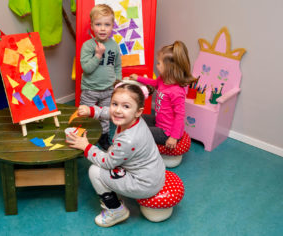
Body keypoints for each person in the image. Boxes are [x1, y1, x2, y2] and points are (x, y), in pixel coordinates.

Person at [66, 81, 165, 227]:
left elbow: (107, 162)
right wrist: (91, 111)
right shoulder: (134, 119)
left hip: (145, 184)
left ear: (138, 111)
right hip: (153, 172)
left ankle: (116, 210)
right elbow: (109, 112)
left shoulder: (129, 139)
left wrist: (86, 147)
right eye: (115, 104)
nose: (118, 110)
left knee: (95, 171)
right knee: (110, 151)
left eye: (126, 106)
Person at [129, 41, 196, 149]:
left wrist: (173, 137)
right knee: (136, 117)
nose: (157, 65)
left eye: (159, 63)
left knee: (139, 132)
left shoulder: (176, 92)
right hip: (159, 121)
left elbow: (180, 115)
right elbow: (154, 83)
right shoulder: (163, 80)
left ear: (169, 68)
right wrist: (138, 78)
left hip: (167, 132)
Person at [80, 4, 122, 150]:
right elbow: (86, 68)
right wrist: (98, 55)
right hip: (90, 89)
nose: (103, 28)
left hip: (108, 89)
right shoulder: (88, 46)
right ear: (92, 26)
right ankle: (85, 137)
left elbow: (117, 66)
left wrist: (118, 82)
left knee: (105, 115)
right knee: (85, 114)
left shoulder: (114, 45)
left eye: (107, 24)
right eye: (98, 24)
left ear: (112, 27)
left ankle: (104, 137)